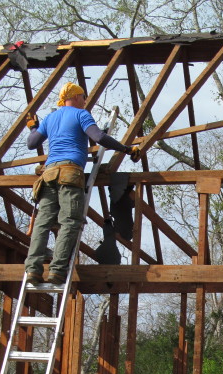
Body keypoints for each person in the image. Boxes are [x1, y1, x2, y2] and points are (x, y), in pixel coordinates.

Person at [24, 82, 140, 285]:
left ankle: (33, 270)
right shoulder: (81, 114)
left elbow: (32, 142)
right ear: (76, 97)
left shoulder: (51, 117)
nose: (85, 100)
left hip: (48, 174)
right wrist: (126, 149)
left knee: (42, 223)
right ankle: (57, 270)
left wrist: (34, 127)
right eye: (83, 96)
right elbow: (99, 136)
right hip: (69, 174)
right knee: (69, 222)